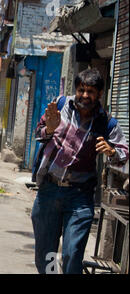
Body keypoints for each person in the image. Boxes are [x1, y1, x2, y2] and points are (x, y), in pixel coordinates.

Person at [31, 68, 128, 274]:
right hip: (48, 190)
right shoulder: (60, 106)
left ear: (100, 94)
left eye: (90, 91)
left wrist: (111, 152)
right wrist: (49, 128)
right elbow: (38, 134)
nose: (85, 95)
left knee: (72, 254)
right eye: (81, 90)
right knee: (46, 255)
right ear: (76, 90)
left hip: (79, 196)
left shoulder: (107, 122)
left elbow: (123, 155)